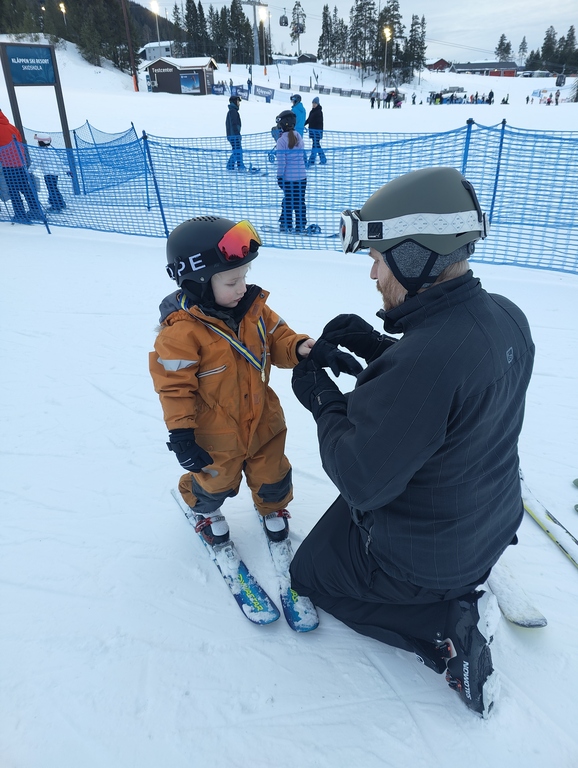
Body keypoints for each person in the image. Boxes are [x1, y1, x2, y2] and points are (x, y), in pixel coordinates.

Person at [289, 166, 535, 719]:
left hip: (427, 560)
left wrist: (320, 397)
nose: (374, 274)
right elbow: (451, 395)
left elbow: (360, 478)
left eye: (379, 257)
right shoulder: (506, 318)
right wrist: (380, 348)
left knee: (310, 574)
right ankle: (450, 589)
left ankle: (442, 627)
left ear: (416, 256)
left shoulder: (425, 363)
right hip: (485, 521)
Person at [149, 216, 320, 546]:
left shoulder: (254, 311)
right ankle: (204, 509)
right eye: (231, 282)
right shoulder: (180, 334)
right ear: (197, 281)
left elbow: (279, 338)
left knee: (273, 473)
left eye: (244, 277)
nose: (242, 288)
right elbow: (173, 389)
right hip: (215, 432)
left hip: (263, 420)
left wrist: (298, 347)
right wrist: (182, 435)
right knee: (215, 482)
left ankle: (272, 507)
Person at [0, 108, 43, 223]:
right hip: (20, 163)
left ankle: (20, 214)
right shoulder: (12, 127)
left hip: (7, 164)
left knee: (13, 190)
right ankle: (35, 210)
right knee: (26, 188)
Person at [275, 110, 307, 234]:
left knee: (288, 201)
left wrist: (279, 176)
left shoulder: (281, 141)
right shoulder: (298, 136)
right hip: (302, 178)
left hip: (289, 178)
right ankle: (300, 225)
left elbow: (282, 162)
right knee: (299, 202)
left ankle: (286, 224)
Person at [31, 133, 67, 212]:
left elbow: (36, 162)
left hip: (48, 174)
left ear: (41, 143)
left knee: (51, 189)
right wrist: (66, 170)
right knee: (54, 188)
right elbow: (59, 161)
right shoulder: (51, 150)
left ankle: (55, 206)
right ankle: (60, 203)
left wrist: (29, 170)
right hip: (55, 174)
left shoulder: (41, 152)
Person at [304, 97, 326, 166]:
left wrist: (317, 131)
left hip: (317, 132)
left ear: (318, 104)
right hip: (313, 132)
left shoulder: (319, 112)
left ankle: (312, 160)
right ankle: (322, 159)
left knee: (315, 146)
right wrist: (303, 124)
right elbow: (309, 120)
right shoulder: (312, 111)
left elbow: (318, 122)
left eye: (315, 103)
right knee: (316, 146)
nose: (313, 104)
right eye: (313, 103)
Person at [225, 95, 245, 170]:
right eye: (238, 102)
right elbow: (233, 124)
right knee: (237, 150)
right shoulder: (233, 111)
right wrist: (237, 134)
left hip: (232, 135)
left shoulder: (232, 111)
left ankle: (238, 165)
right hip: (234, 136)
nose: (239, 104)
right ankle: (233, 165)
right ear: (234, 102)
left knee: (237, 150)